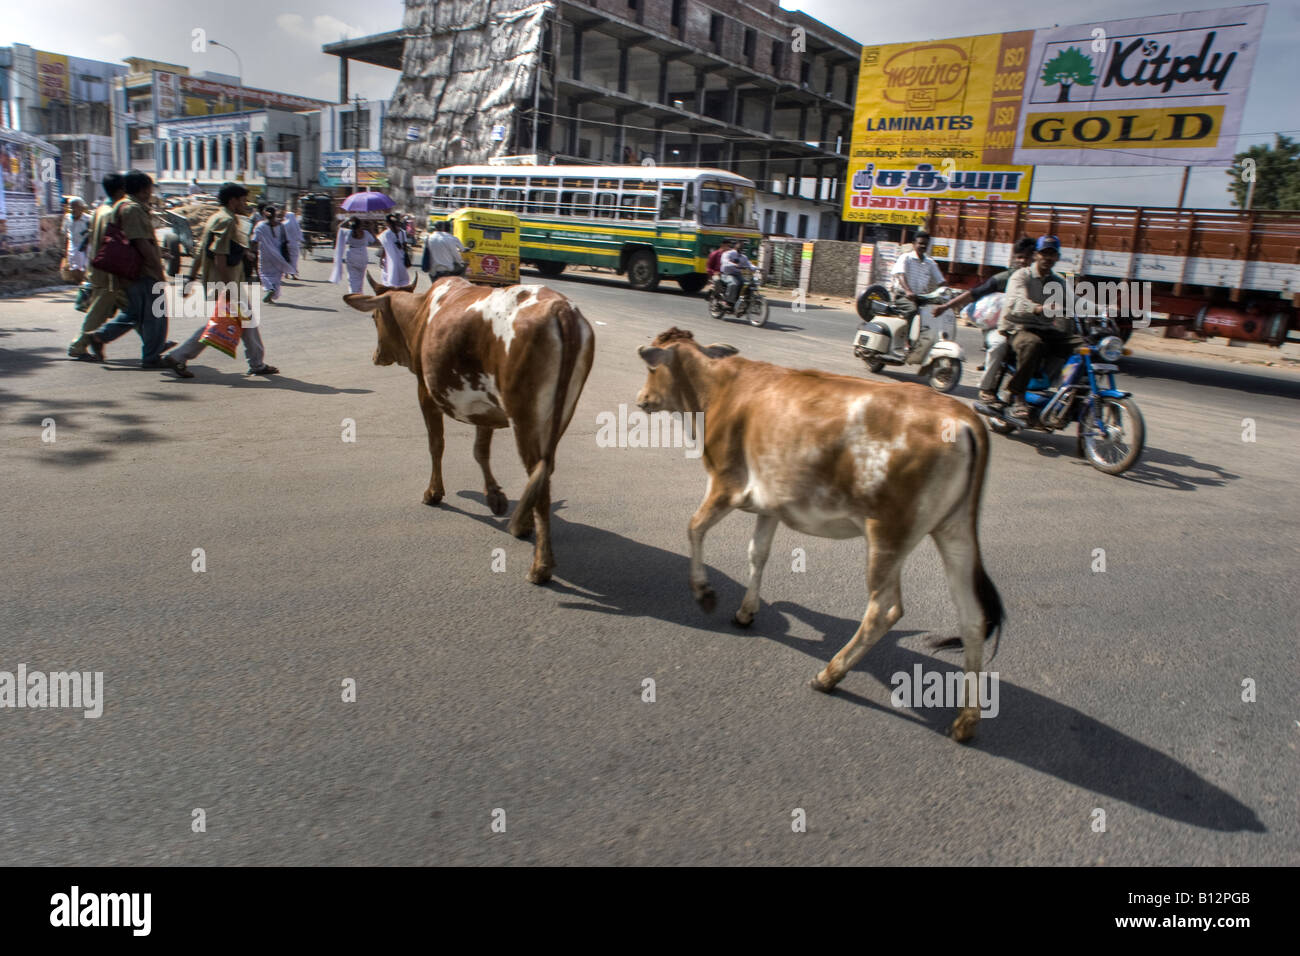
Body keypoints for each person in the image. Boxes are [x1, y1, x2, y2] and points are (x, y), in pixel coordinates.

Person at [166, 182, 279, 377]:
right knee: (219, 323)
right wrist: (228, 289)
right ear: (233, 200)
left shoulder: (217, 218)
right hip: (226, 283)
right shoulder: (226, 221)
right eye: (243, 200)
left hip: (225, 282)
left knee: (246, 321)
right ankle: (178, 356)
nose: (245, 203)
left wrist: (191, 278)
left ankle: (257, 363)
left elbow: (201, 252)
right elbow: (219, 257)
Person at [84, 171, 184, 376]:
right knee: (155, 315)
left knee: (136, 313)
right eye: (149, 189)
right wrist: (158, 269)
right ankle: (151, 357)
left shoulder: (121, 206)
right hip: (142, 271)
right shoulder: (133, 209)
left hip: (130, 271)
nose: (150, 193)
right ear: (142, 189)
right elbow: (140, 242)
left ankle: (100, 336)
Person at [937, 237, 1037, 403]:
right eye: (1019, 257)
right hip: (1000, 328)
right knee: (999, 345)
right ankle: (986, 388)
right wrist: (946, 306)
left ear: (1034, 258)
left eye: (1026, 258)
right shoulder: (1005, 278)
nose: (1022, 261)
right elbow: (974, 293)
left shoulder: (1039, 281)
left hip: (1027, 328)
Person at [1001, 236, 1080, 425]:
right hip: (1018, 327)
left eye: (1052, 254)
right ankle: (1018, 397)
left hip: (1044, 328)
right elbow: (1016, 302)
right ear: (1036, 255)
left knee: (1085, 346)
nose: (1048, 257)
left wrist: (1105, 310)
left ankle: (1071, 398)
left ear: (1057, 257)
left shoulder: (1058, 281)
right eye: (1044, 253)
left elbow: (1075, 302)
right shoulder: (1021, 276)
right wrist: (1037, 308)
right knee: (1033, 343)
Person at [68, 175, 127, 358]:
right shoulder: (112, 213)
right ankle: (79, 345)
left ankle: (153, 346)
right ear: (120, 190)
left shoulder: (100, 209)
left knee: (134, 310)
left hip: (101, 268)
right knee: (99, 311)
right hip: (109, 273)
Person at [889, 230, 945, 339]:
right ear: (914, 244)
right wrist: (908, 291)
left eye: (926, 244)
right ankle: (907, 341)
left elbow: (941, 281)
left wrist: (945, 291)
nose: (923, 246)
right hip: (904, 296)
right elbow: (900, 275)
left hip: (921, 297)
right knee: (913, 311)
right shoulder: (906, 258)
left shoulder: (930, 263)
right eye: (920, 243)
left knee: (936, 310)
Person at [252, 205, 292, 304]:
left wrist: (250, 250)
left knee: (263, 273)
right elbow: (286, 240)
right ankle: (273, 290)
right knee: (277, 274)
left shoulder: (260, 225)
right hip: (278, 255)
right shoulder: (281, 226)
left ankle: (269, 288)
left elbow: (254, 240)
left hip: (264, 254)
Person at [331, 217, 377, 293]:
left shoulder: (348, 233)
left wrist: (348, 219)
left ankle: (353, 293)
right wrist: (371, 228)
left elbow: (339, 228)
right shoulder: (365, 233)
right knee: (360, 277)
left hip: (351, 255)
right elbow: (374, 241)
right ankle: (359, 293)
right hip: (362, 256)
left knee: (352, 277)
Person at [62, 198, 91, 282]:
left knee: (85, 271)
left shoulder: (88, 219)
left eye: (75, 207)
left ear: (82, 208)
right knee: (74, 272)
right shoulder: (67, 218)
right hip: (73, 249)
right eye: (71, 207)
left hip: (85, 248)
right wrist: (64, 251)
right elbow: (66, 235)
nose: (73, 210)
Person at [379, 213, 411, 287]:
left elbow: (384, 248)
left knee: (390, 279)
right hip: (401, 260)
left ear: (387, 223)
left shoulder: (386, 234)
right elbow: (405, 245)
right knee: (402, 280)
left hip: (390, 261)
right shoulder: (402, 232)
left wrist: (381, 259)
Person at [719, 240, 754, 308]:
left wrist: (757, 268)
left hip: (737, 275)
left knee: (747, 284)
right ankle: (727, 301)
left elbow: (749, 265)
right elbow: (724, 262)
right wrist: (734, 264)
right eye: (739, 245)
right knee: (734, 283)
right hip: (726, 274)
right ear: (735, 246)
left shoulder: (743, 257)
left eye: (742, 246)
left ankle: (744, 301)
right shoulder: (728, 254)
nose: (741, 246)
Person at [281, 205, 303, 279]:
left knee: (286, 258)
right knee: (294, 259)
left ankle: (286, 273)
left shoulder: (284, 224)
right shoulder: (296, 224)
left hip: (286, 244)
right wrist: (300, 240)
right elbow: (299, 234)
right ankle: (293, 274)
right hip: (294, 244)